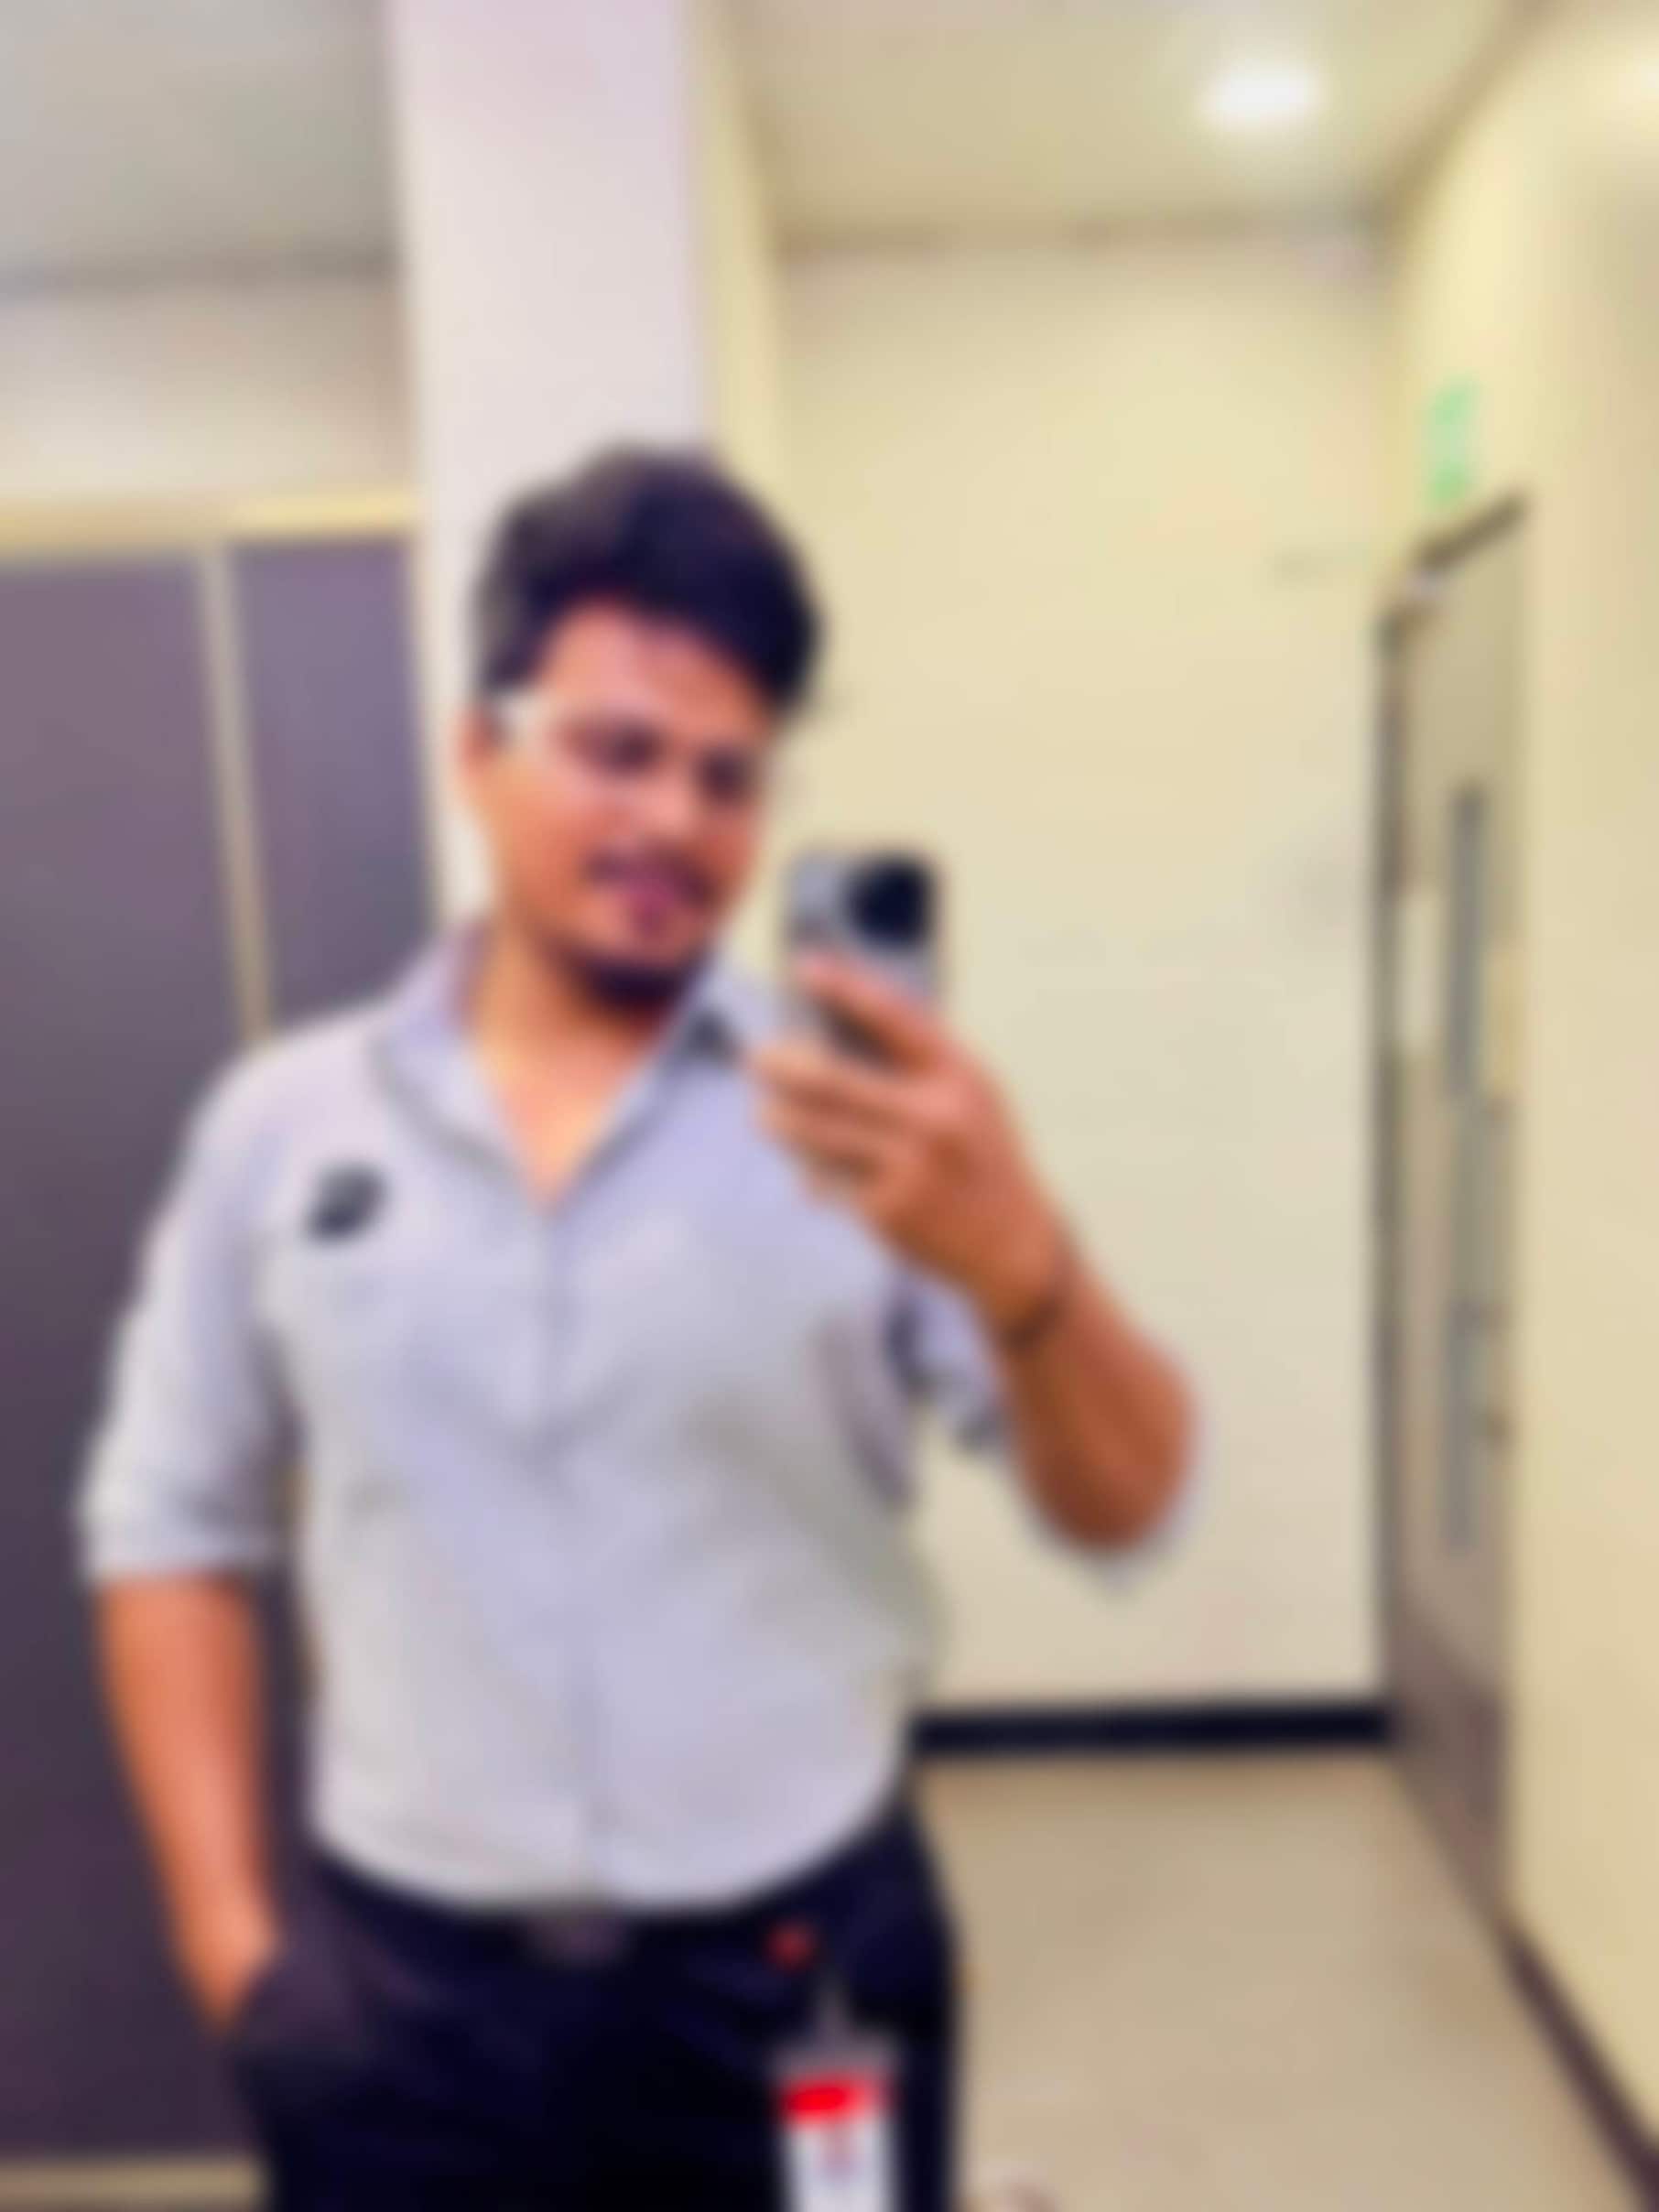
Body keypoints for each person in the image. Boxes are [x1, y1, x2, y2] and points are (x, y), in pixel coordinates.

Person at [78, 448, 1195, 2210]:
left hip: (798, 1984)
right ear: (480, 750)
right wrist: (240, 1964)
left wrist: (1027, 1271)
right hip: (405, 2012)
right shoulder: (284, 1130)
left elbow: (1129, 1513)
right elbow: (167, 1530)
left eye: (725, 776)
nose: (673, 819)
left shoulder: (876, 1135)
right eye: (616, 750)